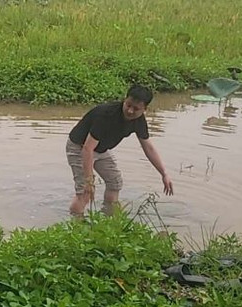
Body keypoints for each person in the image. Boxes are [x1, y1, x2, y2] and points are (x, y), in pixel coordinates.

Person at [66, 84, 174, 217]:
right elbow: (87, 149)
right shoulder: (106, 115)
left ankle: (109, 219)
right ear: (124, 99)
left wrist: (164, 174)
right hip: (79, 147)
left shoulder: (139, 121)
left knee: (115, 183)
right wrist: (89, 181)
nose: (130, 111)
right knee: (85, 191)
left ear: (144, 109)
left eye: (136, 109)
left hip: (101, 149)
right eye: (128, 105)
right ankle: (76, 224)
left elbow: (148, 148)